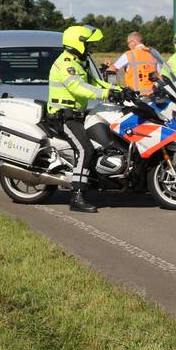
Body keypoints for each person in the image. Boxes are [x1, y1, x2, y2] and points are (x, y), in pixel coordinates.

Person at [47, 24, 124, 213]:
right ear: (77, 44)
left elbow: (97, 83)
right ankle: (77, 197)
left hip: (77, 115)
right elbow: (79, 88)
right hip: (64, 117)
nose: (90, 49)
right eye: (88, 45)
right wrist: (106, 95)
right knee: (85, 150)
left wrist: (122, 91)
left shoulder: (78, 63)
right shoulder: (65, 64)